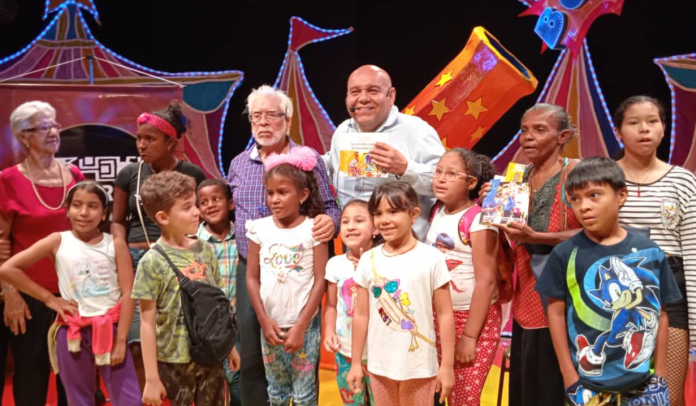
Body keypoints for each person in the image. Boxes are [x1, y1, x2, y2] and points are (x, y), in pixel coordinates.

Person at [536, 157, 681, 406]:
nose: (584, 206)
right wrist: (569, 376)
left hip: (645, 385)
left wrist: (661, 374)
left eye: (594, 195)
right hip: (587, 387)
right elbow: (555, 313)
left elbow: (663, 313)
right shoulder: (564, 254)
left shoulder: (650, 252)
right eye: (575, 199)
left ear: (621, 196)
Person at [227, 85, 339, 405]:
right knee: (253, 353)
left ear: (287, 121)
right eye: (256, 116)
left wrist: (330, 222)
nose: (262, 122)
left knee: (302, 354)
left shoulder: (307, 161)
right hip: (252, 268)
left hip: (299, 271)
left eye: (271, 115)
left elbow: (330, 207)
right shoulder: (238, 164)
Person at [0, 181, 141, 406]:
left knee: (129, 399)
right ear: (67, 210)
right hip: (72, 329)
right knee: (78, 399)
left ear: (104, 212)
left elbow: (128, 293)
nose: (84, 212)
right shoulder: (58, 241)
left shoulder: (115, 244)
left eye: (92, 206)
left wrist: (122, 339)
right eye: (77, 205)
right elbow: (8, 269)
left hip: (112, 328)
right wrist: (50, 299)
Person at [479, 103, 584, 406]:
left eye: (539, 130)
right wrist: (490, 204)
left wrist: (538, 238)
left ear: (563, 136)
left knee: (555, 384)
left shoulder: (576, 172)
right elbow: (504, 237)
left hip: (566, 295)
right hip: (526, 293)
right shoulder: (515, 177)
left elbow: (596, 231)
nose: (528, 137)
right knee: (527, 386)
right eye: (524, 130)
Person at [112, 101, 207, 389]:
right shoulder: (129, 174)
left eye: (150, 139)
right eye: (139, 138)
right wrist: (121, 250)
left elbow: (200, 219)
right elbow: (117, 221)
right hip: (137, 259)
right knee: (138, 342)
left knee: (180, 337)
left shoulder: (192, 173)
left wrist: (188, 249)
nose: (141, 145)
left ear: (170, 143)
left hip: (177, 260)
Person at [612, 95, 696, 406]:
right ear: (618, 131)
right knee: (613, 394)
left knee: (668, 396)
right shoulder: (602, 177)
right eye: (634, 123)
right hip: (614, 291)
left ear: (663, 129)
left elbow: (693, 254)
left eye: (652, 121)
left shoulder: (683, 181)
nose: (644, 129)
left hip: (670, 289)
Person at [0, 100, 85, 406]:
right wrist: (9, 292)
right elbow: (1, 242)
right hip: (27, 295)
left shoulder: (75, 175)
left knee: (74, 380)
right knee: (31, 376)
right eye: (44, 127)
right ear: (24, 136)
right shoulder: (7, 180)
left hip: (73, 294)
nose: (53, 132)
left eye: (55, 125)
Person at [130, 171, 240, 406]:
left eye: (194, 205)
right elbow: (147, 322)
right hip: (172, 361)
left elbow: (219, 305)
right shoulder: (151, 261)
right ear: (163, 217)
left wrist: (228, 347)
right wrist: (151, 378)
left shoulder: (205, 249)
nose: (196, 212)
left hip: (210, 355)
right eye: (187, 207)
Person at [346, 181, 455, 406]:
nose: (384, 220)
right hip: (379, 366)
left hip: (419, 367)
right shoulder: (368, 259)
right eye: (378, 213)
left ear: (414, 214)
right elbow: (361, 314)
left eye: (393, 211)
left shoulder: (431, 258)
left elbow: (445, 314)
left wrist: (447, 367)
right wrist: (356, 362)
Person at [245, 146, 328, 406]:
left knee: (304, 396)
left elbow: (320, 281)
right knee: (277, 393)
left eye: (283, 192)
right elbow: (251, 278)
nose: (275, 199)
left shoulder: (313, 229)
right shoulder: (258, 229)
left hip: (305, 325)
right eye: (270, 193)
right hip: (270, 325)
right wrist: (263, 320)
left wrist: (301, 325)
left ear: (302, 195)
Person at [324, 65, 445, 240]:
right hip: (356, 246)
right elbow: (329, 169)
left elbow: (446, 184)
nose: (363, 99)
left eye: (373, 91)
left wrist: (405, 169)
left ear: (391, 96)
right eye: (355, 92)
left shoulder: (416, 130)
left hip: (404, 247)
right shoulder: (343, 131)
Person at [426, 149, 502, 406]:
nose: (441, 178)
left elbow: (487, 282)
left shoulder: (479, 219)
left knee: (464, 399)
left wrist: (469, 337)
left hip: (472, 322)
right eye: (438, 171)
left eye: (451, 174)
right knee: (435, 394)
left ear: (471, 183)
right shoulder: (436, 210)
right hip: (438, 318)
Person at [324, 199, 379, 406]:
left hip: (378, 355)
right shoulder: (335, 264)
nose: (351, 226)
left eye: (359, 220)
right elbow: (331, 305)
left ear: (375, 228)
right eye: (345, 222)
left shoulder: (382, 261)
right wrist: (329, 331)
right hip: (345, 353)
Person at [196, 179, 241, 406]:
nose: (210, 205)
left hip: (237, 322)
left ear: (231, 203)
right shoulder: (194, 242)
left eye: (216, 199)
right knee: (211, 383)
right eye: (204, 202)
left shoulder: (242, 237)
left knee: (237, 377)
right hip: (208, 326)